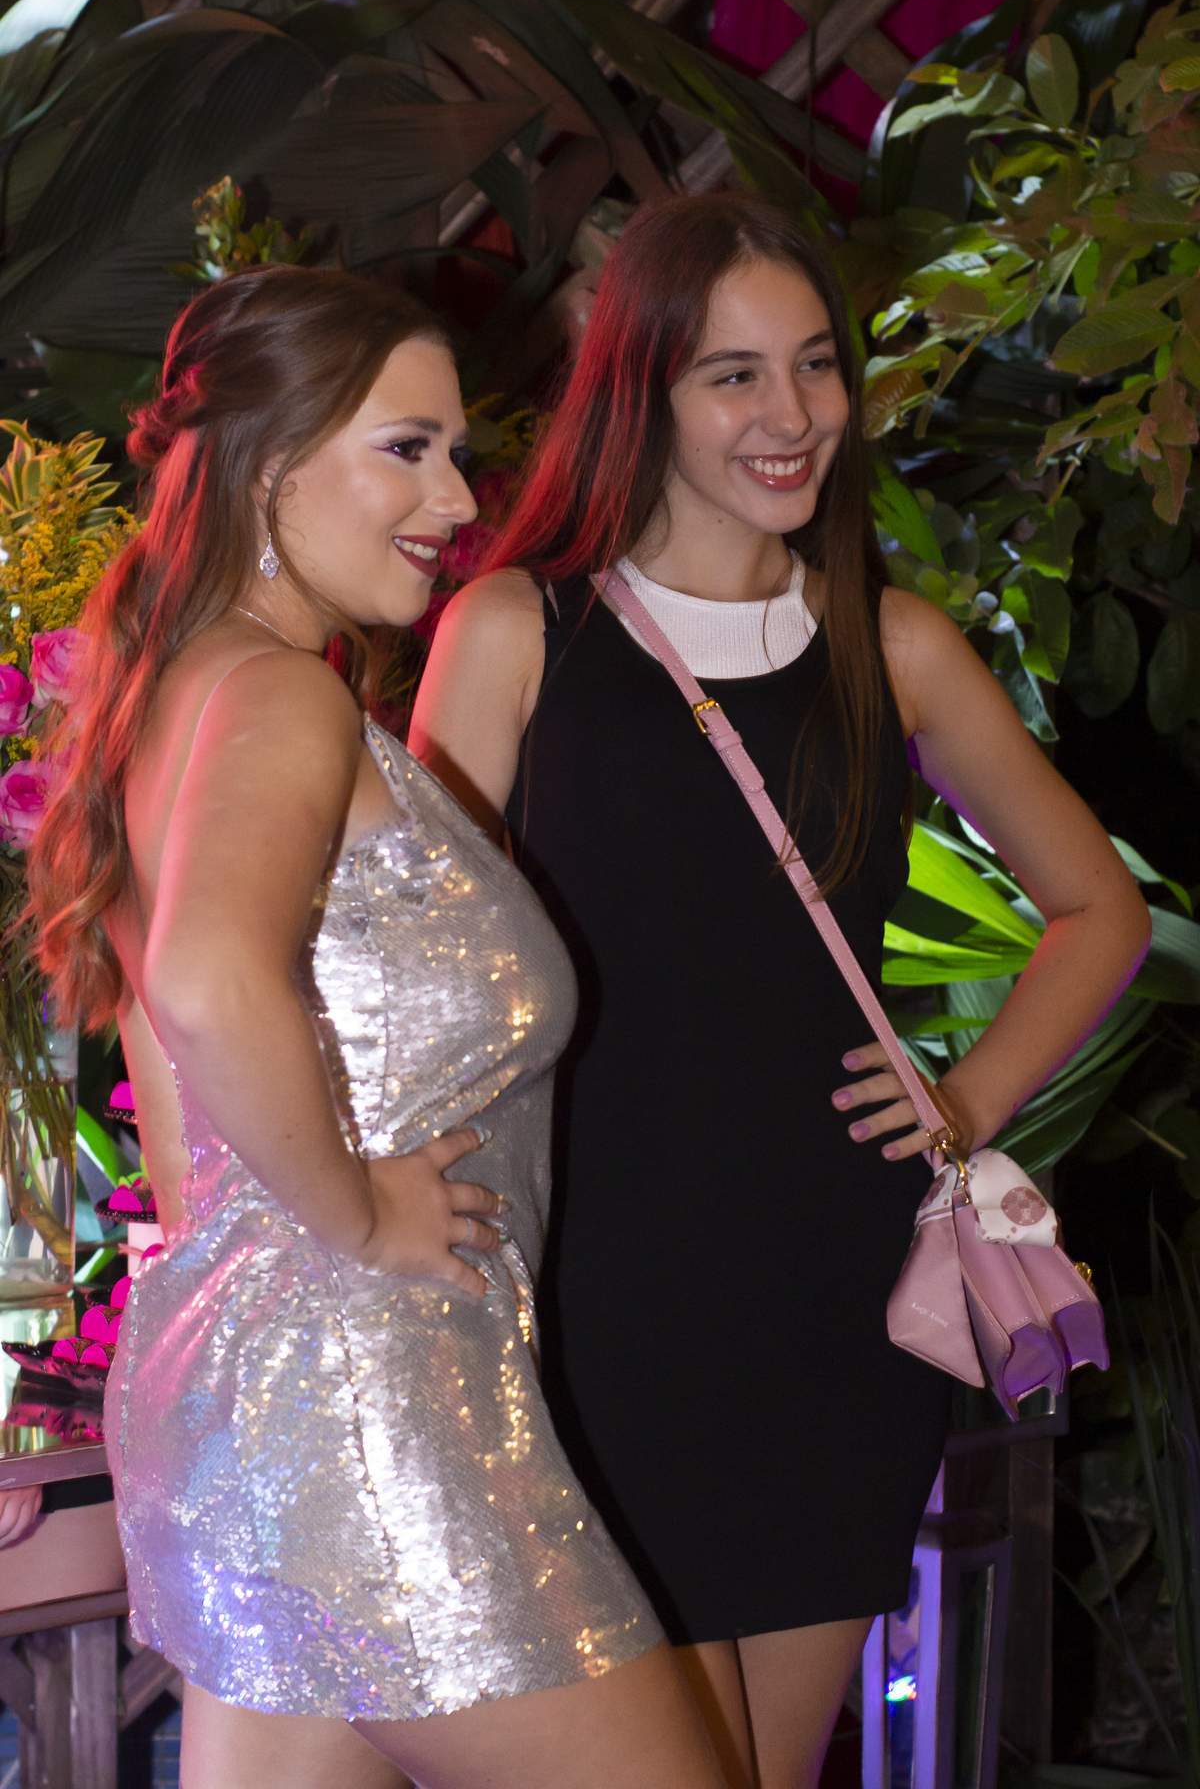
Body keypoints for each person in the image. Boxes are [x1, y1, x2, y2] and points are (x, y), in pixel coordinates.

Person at [410, 193, 1152, 1789]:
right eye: (733, 374)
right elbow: (420, 966)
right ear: (646, 390)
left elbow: (1100, 910)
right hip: (588, 1299)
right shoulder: (516, 628)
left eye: (814, 364)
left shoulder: (895, 644)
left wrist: (967, 1099)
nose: (791, 413)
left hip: (830, 1294)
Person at [27, 265, 724, 1789]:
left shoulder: (177, 697)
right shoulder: (281, 701)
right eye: (406, 449)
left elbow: (183, 1136)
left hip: (266, 1401)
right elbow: (207, 983)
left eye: (454, 453)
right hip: (375, 1402)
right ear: (270, 465)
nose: (456, 499)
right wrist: (358, 1213)